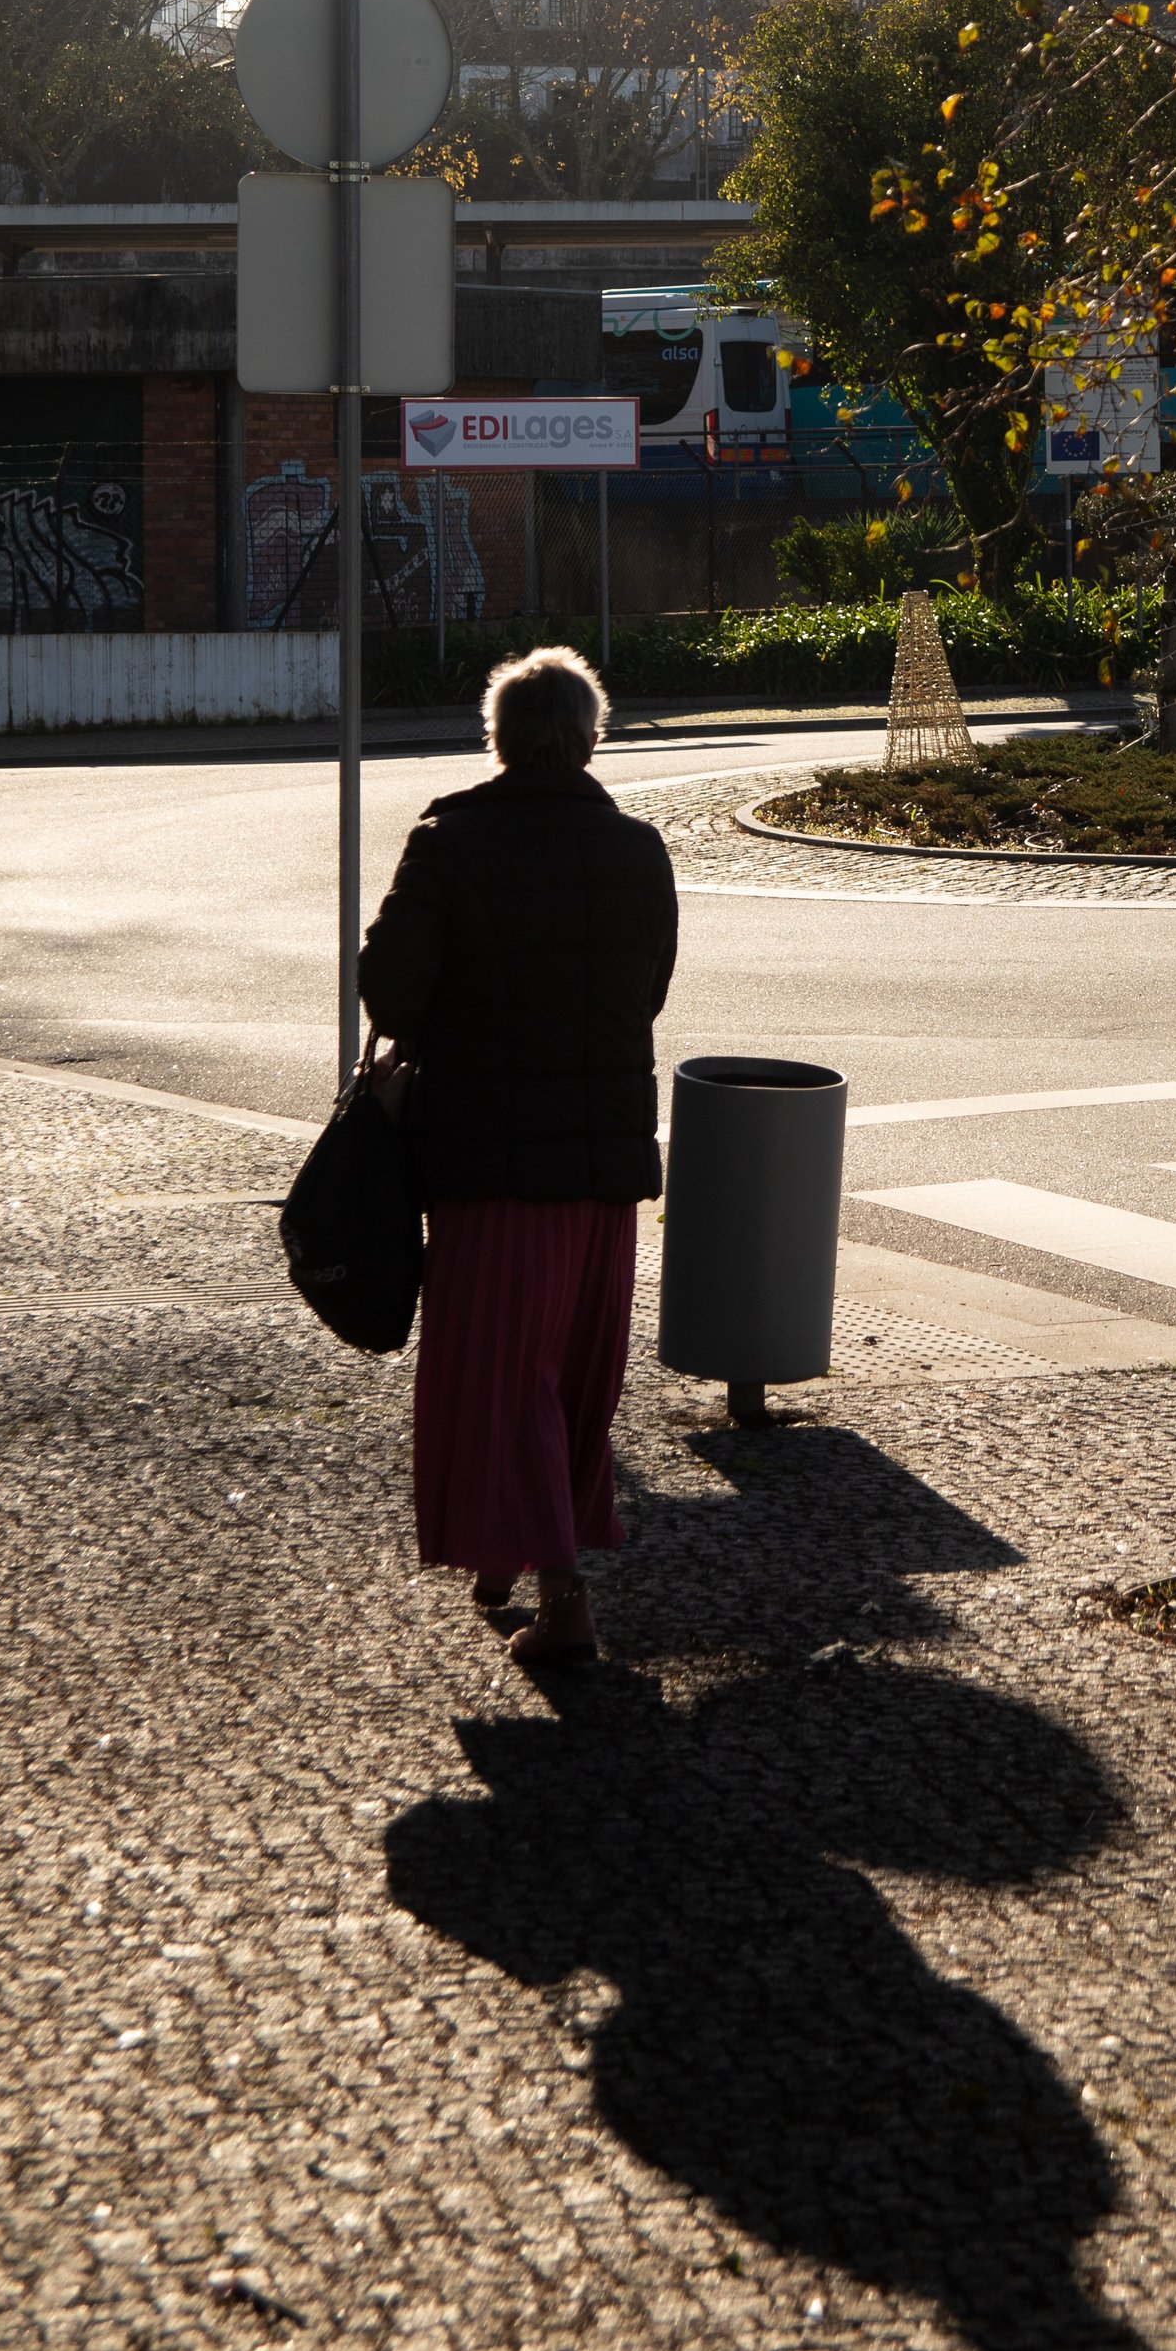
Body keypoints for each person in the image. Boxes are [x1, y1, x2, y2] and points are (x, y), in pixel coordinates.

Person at [359, 645, 678, 1662]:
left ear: (494, 738)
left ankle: (566, 1595)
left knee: (501, 1376)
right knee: (575, 1379)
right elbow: (649, 987)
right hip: (603, 1169)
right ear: (591, 737)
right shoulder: (638, 849)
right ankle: (512, 1554)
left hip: (491, 1167)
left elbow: (394, 996)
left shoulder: (449, 841)